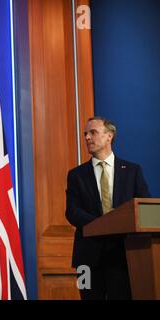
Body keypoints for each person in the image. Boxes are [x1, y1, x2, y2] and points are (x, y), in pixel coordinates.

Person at [65, 116, 150, 300]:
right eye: (85, 134)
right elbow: (72, 212)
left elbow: (146, 209)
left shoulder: (133, 171)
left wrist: (117, 224)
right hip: (86, 260)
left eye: (93, 133)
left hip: (124, 256)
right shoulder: (76, 175)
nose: (87, 137)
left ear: (109, 136)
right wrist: (103, 224)